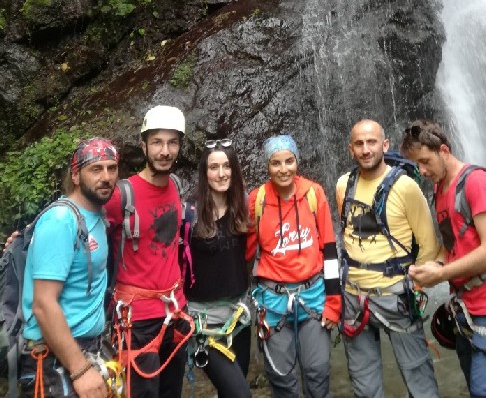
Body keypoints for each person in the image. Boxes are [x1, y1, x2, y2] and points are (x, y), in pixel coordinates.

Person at [401, 120, 486, 398]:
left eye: (425, 161)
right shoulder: (441, 189)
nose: (421, 171)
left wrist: (441, 275)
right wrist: (434, 267)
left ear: (444, 150)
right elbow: (454, 248)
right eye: (416, 164)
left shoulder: (476, 182)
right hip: (464, 309)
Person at [336, 119, 441, 398]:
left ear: (385, 145)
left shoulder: (405, 187)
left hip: (396, 295)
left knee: (418, 375)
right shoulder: (343, 185)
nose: (366, 149)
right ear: (351, 149)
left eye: (372, 142)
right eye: (359, 143)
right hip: (353, 297)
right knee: (363, 383)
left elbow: (429, 246)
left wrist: (414, 288)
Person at [19, 137, 119, 398]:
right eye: (96, 169)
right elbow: (43, 304)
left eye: (111, 168)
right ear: (76, 175)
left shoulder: (96, 216)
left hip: (88, 348)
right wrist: (80, 369)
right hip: (57, 357)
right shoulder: (61, 220)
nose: (106, 177)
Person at [105, 105, 193, 398]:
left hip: (174, 310)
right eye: (157, 142)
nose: (165, 151)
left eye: (172, 143)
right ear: (143, 145)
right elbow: (82, 228)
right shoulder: (121, 195)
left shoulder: (177, 187)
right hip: (136, 320)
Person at [246, 135, 341, 398]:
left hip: (313, 298)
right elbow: (247, 252)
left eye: (289, 161)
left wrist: (334, 303)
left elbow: (330, 250)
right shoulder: (258, 200)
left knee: (318, 374)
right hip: (273, 304)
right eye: (276, 163)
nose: (283, 169)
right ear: (267, 166)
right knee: (282, 379)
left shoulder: (314, 193)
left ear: (297, 161)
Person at [183, 139, 251, 398]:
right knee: (240, 394)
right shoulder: (188, 214)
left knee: (231, 390)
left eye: (226, 166)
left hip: (239, 319)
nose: (221, 174)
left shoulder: (243, 207)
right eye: (214, 167)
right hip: (204, 324)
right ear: (204, 172)